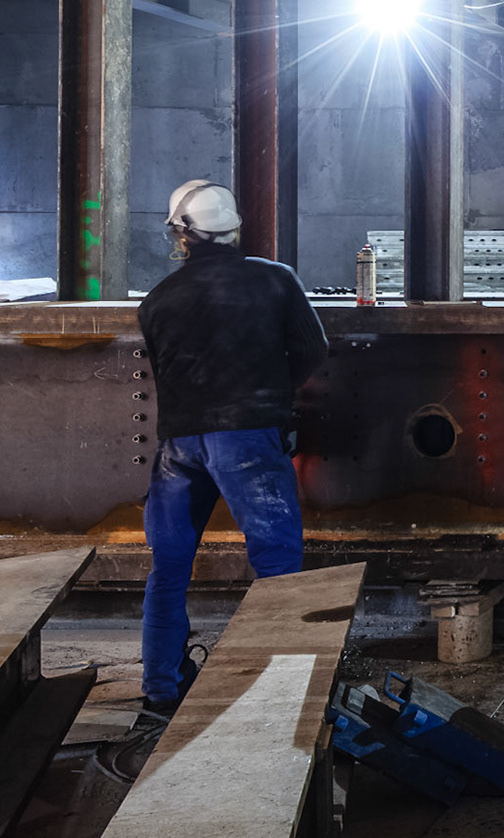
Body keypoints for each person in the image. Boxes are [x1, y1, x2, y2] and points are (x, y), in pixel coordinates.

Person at [129, 179, 329, 728]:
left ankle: (160, 690)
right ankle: (279, 691)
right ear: (236, 229)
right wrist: (269, 394)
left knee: (169, 568)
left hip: (179, 446)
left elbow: (165, 370)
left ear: (181, 235)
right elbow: (313, 349)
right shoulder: (275, 279)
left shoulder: (156, 300)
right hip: (247, 438)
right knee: (277, 565)